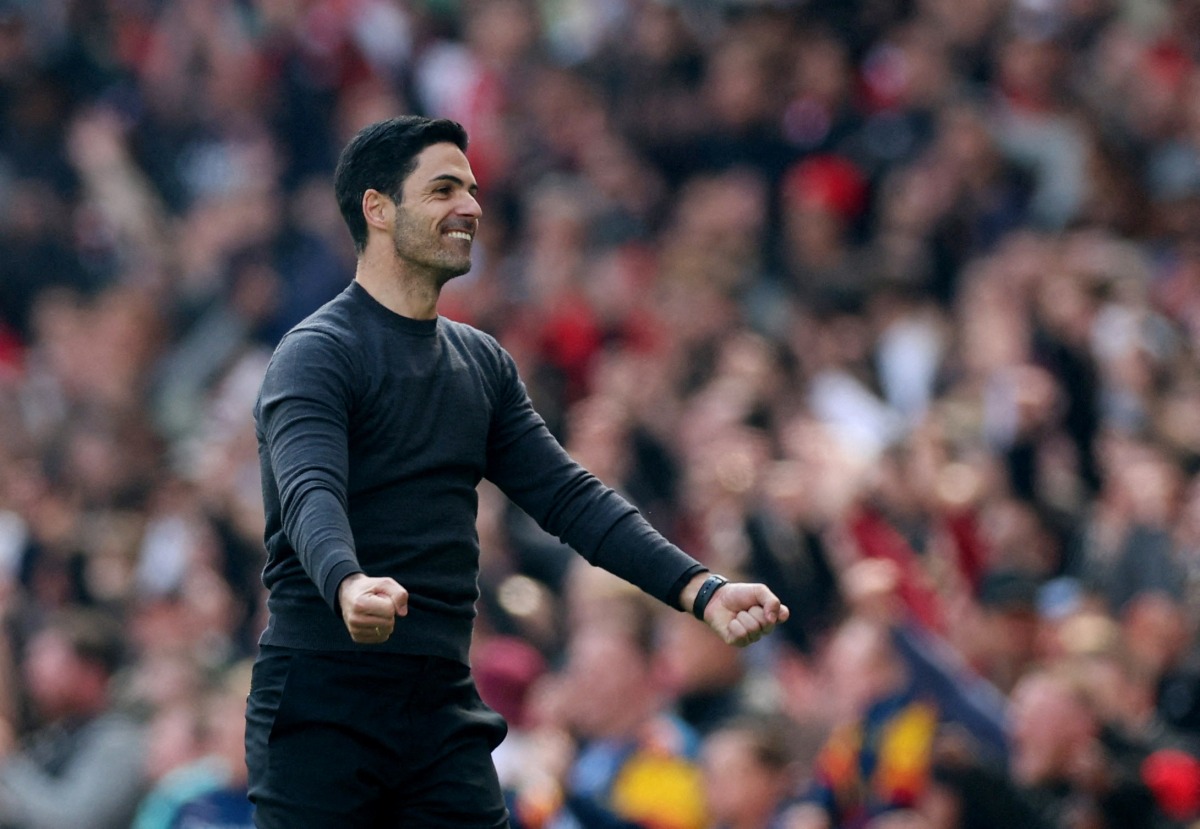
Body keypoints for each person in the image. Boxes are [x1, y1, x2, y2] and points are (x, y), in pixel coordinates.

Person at [244, 114, 791, 828]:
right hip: (322, 706)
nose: (470, 207)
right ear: (377, 208)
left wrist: (698, 588)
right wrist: (345, 579)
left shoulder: (481, 363)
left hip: (438, 707)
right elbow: (310, 491)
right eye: (443, 189)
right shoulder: (315, 353)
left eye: (470, 189)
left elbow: (570, 498)